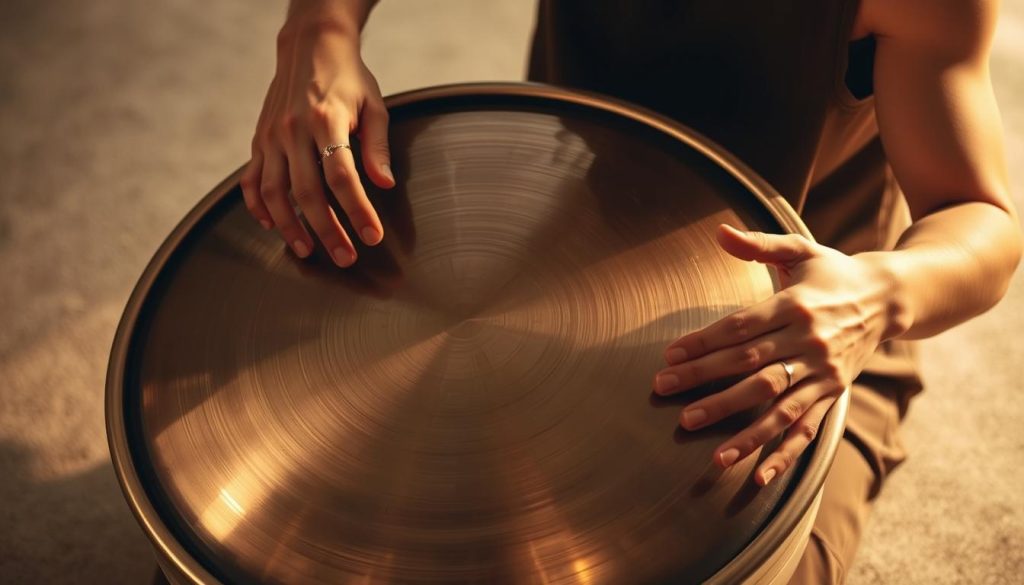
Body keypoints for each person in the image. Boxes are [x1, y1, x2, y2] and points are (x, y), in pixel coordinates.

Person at [239, 0, 1022, 582]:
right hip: (536, 265)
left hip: (795, 338)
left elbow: (979, 217)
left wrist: (878, 293)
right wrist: (319, 31)